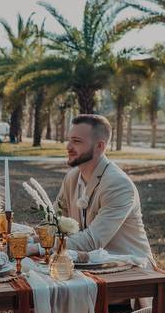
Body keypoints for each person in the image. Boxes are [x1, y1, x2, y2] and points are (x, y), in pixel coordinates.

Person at [53, 114, 155, 266]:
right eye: (69, 140)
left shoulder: (118, 184)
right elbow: (53, 222)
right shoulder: (72, 178)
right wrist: (30, 240)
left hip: (131, 270)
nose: (68, 147)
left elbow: (93, 241)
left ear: (100, 146)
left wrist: (40, 247)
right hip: (88, 265)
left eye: (77, 141)